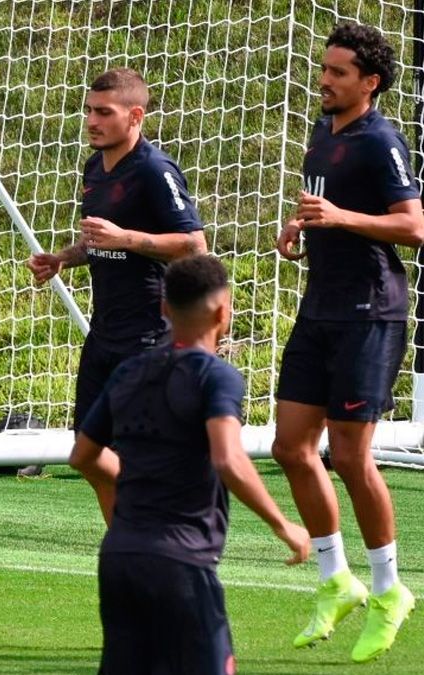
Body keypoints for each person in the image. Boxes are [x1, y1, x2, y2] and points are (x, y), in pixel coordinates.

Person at [70, 254, 311, 674]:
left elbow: (83, 456)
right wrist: (283, 524)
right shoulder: (216, 376)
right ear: (223, 311)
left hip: (120, 557)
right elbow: (228, 458)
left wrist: (138, 478)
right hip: (182, 561)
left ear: (164, 309)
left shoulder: (128, 371)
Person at [272, 22, 424, 662]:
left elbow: (413, 227)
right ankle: (337, 579)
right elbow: (327, 206)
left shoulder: (382, 139)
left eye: (338, 73)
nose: (324, 80)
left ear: (370, 83)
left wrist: (341, 220)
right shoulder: (321, 131)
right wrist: (300, 225)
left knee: (351, 456)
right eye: (324, 68)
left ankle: (390, 589)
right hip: (321, 308)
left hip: (372, 312)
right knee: (289, 446)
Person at [26, 68, 206, 475]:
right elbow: (100, 243)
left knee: (137, 456)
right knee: (87, 452)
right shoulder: (95, 168)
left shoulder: (154, 170)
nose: (92, 121)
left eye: (104, 112)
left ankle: (148, 532)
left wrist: (126, 238)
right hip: (105, 331)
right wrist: (63, 259)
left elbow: (196, 247)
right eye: (89, 111)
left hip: (149, 334)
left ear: (135, 116)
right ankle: (129, 534)